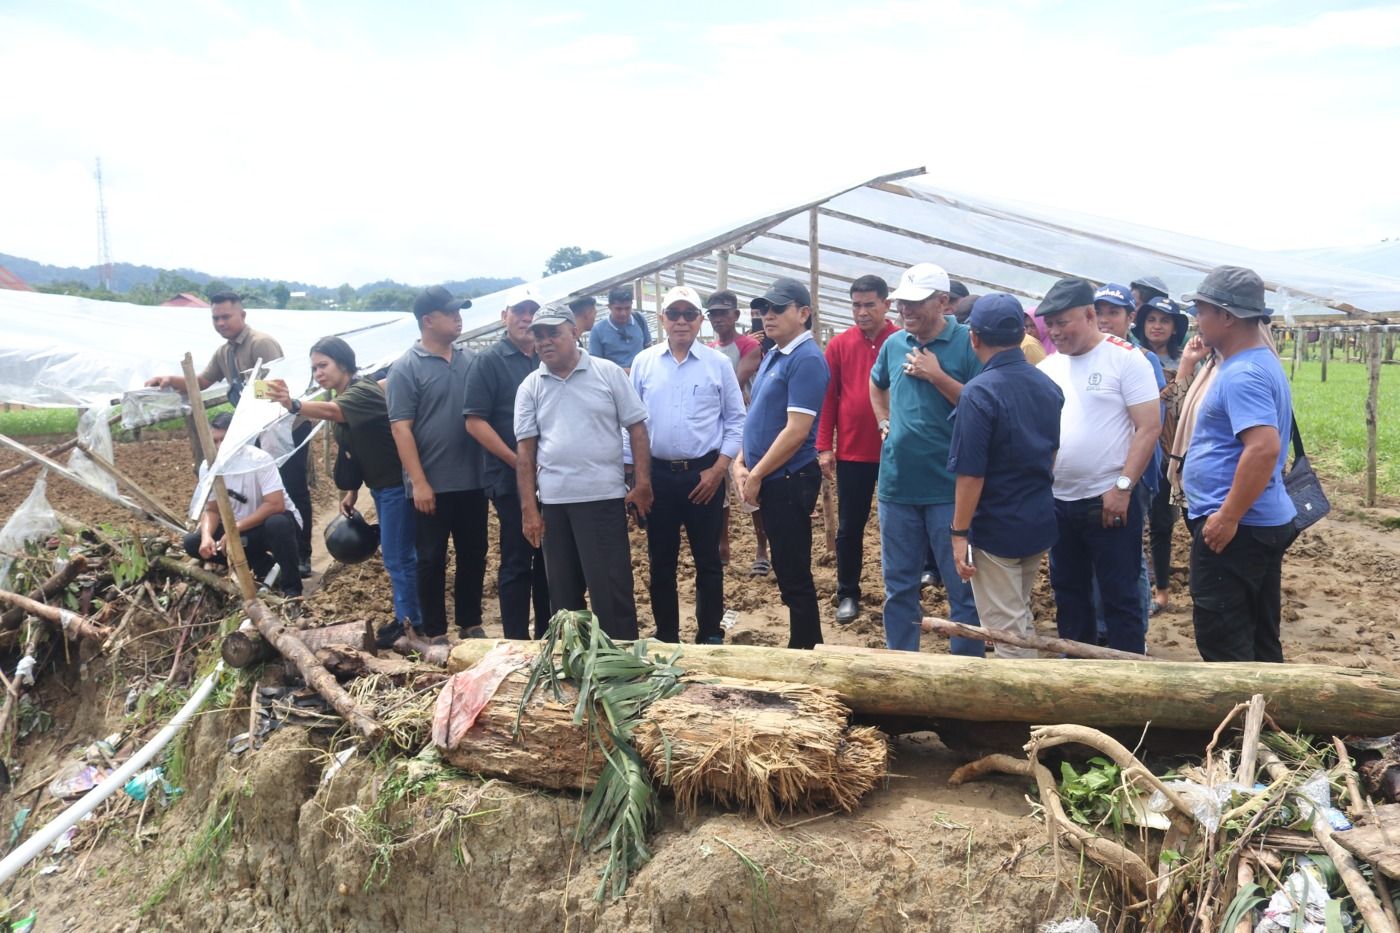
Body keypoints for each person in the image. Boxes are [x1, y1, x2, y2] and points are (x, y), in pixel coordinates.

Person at [146, 291, 313, 576]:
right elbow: (201, 381)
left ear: (242, 316)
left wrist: (247, 395)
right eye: (216, 318)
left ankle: (302, 555)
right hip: (256, 429)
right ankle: (265, 557)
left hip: (285, 429)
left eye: (226, 316)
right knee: (264, 491)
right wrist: (171, 380)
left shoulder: (262, 344)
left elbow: (279, 385)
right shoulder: (225, 352)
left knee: (291, 488)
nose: (221, 322)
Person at [266, 337, 419, 647]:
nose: (318, 373)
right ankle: (408, 617)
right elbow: (357, 446)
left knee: (398, 557)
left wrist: (293, 403)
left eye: (323, 365)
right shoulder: (347, 394)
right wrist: (351, 490)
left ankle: (412, 622)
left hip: (396, 485)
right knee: (397, 556)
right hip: (380, 486)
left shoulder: (361, 392)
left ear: (344, 363)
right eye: (314, 368)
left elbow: (334, 413)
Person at [1036, 278, 1161, 654]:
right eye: (1050, 324)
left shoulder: (1126, 359)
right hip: (1060, 501)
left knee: (1119, 593)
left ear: (1089, 315)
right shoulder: (1048, 368)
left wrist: (1123, 487)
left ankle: (1128, 673)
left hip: (1109, 499)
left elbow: (1149, 426)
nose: (1055, 332)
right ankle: (1080, 674)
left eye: (1063, 322)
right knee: (1068, 592)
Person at [515, 305, 652, 640]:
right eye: (539, 336)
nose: (545, 342)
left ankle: (620, 665)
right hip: (556, 504)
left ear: (574, 332)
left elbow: (637, 428)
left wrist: (643, 483)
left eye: (553, 334)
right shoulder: (531, 386)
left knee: (611, 592)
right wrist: (530, 509)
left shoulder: (607, 373)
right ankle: (574, 667)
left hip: (603, 499)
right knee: (563, 598)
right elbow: (525, 453)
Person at [1181, 266, 1295, 662]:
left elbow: (1263, 448)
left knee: (1224, 641)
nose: (1197, 319)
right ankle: (1268, 720)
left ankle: (1237, 723)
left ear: (1227, 316)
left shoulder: (1242, 373)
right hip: (1256, 522)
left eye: (1202, 309)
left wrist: (1227, 516)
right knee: (1261, 633)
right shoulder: (1255, 363)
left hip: (1238, 529)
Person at [869, 263, 983, 654]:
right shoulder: (894, 344)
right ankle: (903, 663)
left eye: (916, 303)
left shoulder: (969, 342)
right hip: (897, 485)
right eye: (903, 302)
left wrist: (936, 376)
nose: (906, 310)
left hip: (950, 488)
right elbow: (877, 383)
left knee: (962, 585)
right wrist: (883, 419)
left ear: (943, 302)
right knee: (898, 585)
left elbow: (982, 406)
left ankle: (964, 671)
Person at [947, 295, 1063, 658]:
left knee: (1005, 632)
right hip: (1037, 518)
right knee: (1018, 612)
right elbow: (1053, 453)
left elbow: (971, 474)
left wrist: (958, 533)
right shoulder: (1048, 386)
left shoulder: (979, 393)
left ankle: (1020, 711)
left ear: (974, 337)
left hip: (996, 527)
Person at [629, 286, 745, 644]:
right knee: (660, 562)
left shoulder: (718, 364)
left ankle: (709, 632)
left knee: (708, 560)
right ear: (662, 319)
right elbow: (630, 424)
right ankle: (666, 634)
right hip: (658, 477)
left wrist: (718, 468)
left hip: (703, 475)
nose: (681, 321)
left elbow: (737, 420)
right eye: (674, 314)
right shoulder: (644, 362)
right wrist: (635, 479)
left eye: (689, 314)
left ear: (700, 321)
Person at [387, 286, 490, 640]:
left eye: (460, 311)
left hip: (473, 479)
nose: (458, 318)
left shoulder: (470, 360)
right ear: (428, 321)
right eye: (450, 313)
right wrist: (419, 482)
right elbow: (401, 428)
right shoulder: (406, 369)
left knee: (473, 552)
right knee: (430, 558)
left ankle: (471, 622)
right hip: (432, 484)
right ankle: (434, 630)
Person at [732, 277, 829, 650]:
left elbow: (797, 430)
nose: (767, 316)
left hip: (788, 478)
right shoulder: (775, 352)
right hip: (771, 476)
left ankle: (807, 649)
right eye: (765, 309)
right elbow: (757, 414)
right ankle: (803, 644)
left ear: (803, 313)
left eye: (778, 309)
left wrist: (755, 473)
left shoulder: (806, 359)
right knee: (786, 566)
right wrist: (742, 460)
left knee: (793, 571)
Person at [464, 289, 551, 640]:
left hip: (552, 476)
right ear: (505, 316)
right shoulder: (489, 362)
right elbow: (475, 421)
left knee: (550, 558)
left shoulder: (548, 358)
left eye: (533, 311)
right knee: (518, 557)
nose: (526, 318)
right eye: (519, 311)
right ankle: (516, 639)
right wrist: (518, 462)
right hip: (509, 476)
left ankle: (550, 634)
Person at [817, 274, 898, 624]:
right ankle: (848, 592)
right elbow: (829, 396)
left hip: (898, 450)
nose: (861, 312)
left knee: (900, 525)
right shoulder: (839, 345)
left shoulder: (901, 340)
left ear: (886, 305)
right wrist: (824, 445)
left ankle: (902, 594)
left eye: (869, 304)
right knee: (850, 526)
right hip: (852, 451)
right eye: (856, 305)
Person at [1095, 282, 1167, 626]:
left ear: (1130, 317)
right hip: (1096, 473)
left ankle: (1134, 629)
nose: (1105, 319)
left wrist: (1127, 479)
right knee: (1096, 554)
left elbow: (1150, 424)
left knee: (1127, 554)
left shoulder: (1142, 359)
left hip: (1131, 474)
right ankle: (1101, 626)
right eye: (1099, 312)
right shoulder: (1088, 354)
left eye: (1114, 312)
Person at [184, 411, 303, 599]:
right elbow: (212, 509)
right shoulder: (208, 466)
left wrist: (234, 529)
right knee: (192, 543)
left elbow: (275, 505)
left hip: (271, 526)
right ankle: (263, 564)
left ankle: (292, 590)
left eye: (223, 439)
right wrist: (207, 536)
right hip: (242, 532)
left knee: (277, 523)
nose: (219, 446)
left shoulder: (259, 459)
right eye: (214, 440)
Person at [1133, 295, 1192, 612]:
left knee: (1177, 521)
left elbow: (1180, 406)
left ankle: (1175, 590)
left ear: (1174, 328)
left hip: (1180, 453)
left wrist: (1183, 372)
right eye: (1151, 320)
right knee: (1151, 523)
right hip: (1148, 450)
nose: (1157, 326)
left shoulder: (1189, 361)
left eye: (1164, 321)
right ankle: (1158, 592)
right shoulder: (1134, 357)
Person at [707, 290, 770, 575]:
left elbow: (733, 383)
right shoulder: (709, 349)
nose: (719, 318)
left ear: (735, 315)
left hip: (743, 426)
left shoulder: (748, 346)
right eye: (713, 314)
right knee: (718, 490)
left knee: (747, 485)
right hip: (714, 427)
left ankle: (761, 548)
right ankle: (722, 545)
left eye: (724, 313)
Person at [589, 285, 651, 370]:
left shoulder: (639, 320)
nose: (623, 313)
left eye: (627, 308)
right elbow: (595, 366)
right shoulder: (598, 330)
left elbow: (649, 351)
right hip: (613, 381)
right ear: (609, 307)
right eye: (618, 309)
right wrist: (623, 372)